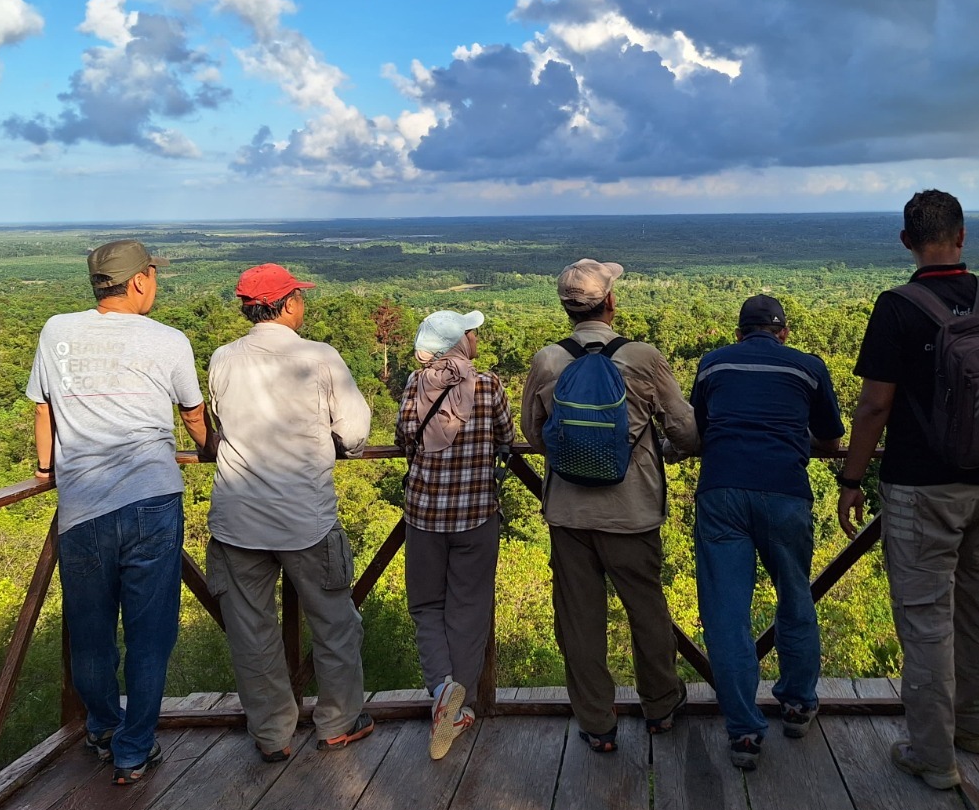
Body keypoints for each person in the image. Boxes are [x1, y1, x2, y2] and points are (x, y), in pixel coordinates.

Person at [837, 190, 979, 790]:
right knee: (977, 607)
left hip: (919, 490)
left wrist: (852, 478)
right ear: (962, 238)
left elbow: (874, 406)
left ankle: (934, 756)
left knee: (925, 621)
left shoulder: (897, 307)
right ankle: (974, 728)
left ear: (906, 241)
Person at [27, 239, 215, 785]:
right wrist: (209, 449)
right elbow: (194, 416)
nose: (155, 283)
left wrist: (46, 469)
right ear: (138, 281)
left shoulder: (56, 330)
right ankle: (134, 748)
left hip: (81, 505)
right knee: (149, 632)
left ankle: (104, 728)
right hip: (152, 499)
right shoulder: (168, 340)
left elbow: (44, 408)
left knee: (90, 630)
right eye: (153, 275)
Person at [523, 259, 700, 753]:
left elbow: (534, 433)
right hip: (633, 511)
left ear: (565, 310)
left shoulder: (547, 360)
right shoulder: (643, 358)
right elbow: (683, 429)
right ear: (611, 302)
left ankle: (597, 721)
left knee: (579, 621)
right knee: (646, 610)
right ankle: (661, 706)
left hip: (568, 513)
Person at [205, 263, 374, 762]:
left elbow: (216, 423)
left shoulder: (222, 358)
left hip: (237, 517)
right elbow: (356, 433)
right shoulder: (319, 357)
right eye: (299, 296)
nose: (304, 303)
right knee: (336, 624)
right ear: (288, 304)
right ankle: (338, 722)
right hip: (306, 517)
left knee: (251, 632)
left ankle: (273, 734)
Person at [691, 295, 845, 771]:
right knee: (795, 597)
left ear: (739, 332)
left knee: (725, 614)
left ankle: (744, 733)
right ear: (784, 331)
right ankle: (798, 704)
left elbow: (701, 428)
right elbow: (832, 438)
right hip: (784, 490)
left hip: (721, 491)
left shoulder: (712, 364)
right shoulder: (808, 367)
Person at [395, 309, 515, 760]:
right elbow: (507, 435)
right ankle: (457, 704)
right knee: (470, 607)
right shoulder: (488, 385)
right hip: (477, 515)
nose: (476, 338)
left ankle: (442, 689)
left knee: (426, 605)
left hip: (424, 515)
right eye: (471, 332)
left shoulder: (416, 383)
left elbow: (406, 433)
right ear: (460, 342)